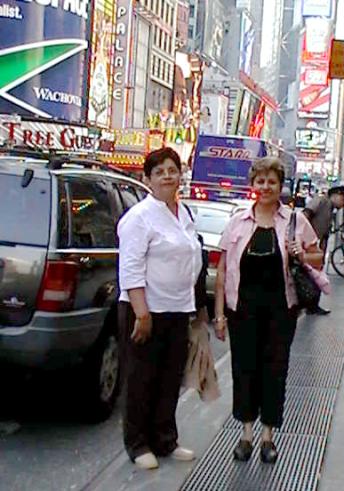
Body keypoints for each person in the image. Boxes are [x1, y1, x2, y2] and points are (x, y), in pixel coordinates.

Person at [214, 157, 323, 464]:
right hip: (242, 311)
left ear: (280, 185)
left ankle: (268, 437)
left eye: (271, 182)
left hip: (280, 311)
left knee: (275, 371)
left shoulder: (294, 220)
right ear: (253, 185)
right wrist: (220, 315)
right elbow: (223, 271)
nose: (265, 187)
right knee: (244, 370)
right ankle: (246, 434)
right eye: (260, 181)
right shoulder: (238, 221)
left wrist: (302, 253)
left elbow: (317, 256)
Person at [117, 147, 202, 470]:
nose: (168, 176)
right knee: (141, 380)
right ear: (147, 179)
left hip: (178, 309)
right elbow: (131, 268)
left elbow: (194, 258)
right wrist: (142, 313)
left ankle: (165, 439)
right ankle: (138, 444)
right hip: (146, 311)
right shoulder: (139, 218)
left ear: (180, 175)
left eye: (172, 170)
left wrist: (199, 309)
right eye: (160, 171)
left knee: (169, 378)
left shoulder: (183, 213)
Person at [303, 182, 344, 315]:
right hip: (310, 245)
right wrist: (306, 236)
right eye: (343, 200)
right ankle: (307, 304)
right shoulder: (321, 200)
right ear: (336, 195)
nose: (342, 205)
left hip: (319, 245)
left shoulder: (330, 208)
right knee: (309, 274)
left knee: (317, 274)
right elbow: (306, 214)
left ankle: (313, 305)